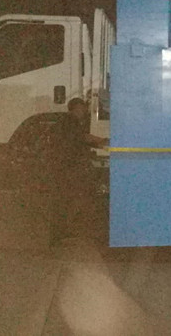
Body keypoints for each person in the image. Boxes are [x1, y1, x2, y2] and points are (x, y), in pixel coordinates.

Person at [47, 98, 109, 245]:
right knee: (70, 198)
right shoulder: (70, 122)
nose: (85, 112)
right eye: (82, 109)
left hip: (64, 166)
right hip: (68, 167)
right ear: (75, 109)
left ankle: (61, 232)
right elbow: (83, 138)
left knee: (66, 200)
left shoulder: (66, 121)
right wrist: (103, 141)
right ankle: (61, 233)